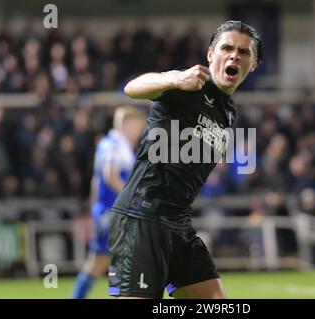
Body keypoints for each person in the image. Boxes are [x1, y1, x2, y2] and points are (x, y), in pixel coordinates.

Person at [108, 20, 262, 299]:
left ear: (253, 64)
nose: (234, 55)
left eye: (243, 52)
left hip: (178, 223)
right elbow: (132, 88)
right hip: (143, 216)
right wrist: (174, 79)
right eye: (227, 48)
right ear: (210, 54)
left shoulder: (228, 112)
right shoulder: (189, 82)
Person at [72, 106, 146, 298]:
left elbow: (96, 182)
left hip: (107, 211)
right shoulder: (116, 144)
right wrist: (131, 197)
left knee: (100, 261)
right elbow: (110, 175)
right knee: (124, 259)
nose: (140, 131)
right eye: (138, 126)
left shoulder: (110, 144)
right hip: (114, 212)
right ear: (126, 124)